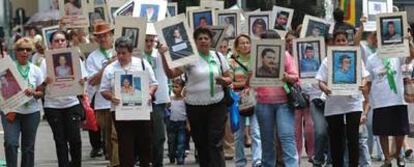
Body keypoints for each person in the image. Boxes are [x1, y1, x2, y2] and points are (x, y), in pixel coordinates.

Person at [161, 27, 232, 167]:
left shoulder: (218, 57)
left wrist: (225, 81)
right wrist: (163, 55)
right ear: (194, 42)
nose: (203, 41)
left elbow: (230, 77)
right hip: (194, 107)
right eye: (200, 38)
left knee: (215, 142)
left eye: (206, 38)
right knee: (201, 143)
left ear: (211, 41)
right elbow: (171, 74)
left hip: (217, 104)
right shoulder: (188, 57)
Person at [100, 37, 158, 167]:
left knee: (145, 145)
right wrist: (111, 97)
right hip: (121, 113)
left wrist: (149, 93)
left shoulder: (142, 64)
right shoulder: (110, 69)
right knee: (126, 148)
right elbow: (103, 90)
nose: (120, 56)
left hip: (142, 112)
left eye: (124, 53)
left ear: (130, 52)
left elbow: (154, 84)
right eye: (118, 53)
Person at [316, 30, 369, 167]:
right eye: (338, 40)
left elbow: (364, 77)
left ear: (348, 41)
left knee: (353, 138)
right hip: (334, 104)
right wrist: (325, 88)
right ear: (333, 42)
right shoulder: (327, 60)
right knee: (336, 140)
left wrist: (363, 84)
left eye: (343, 40)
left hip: (353, 103)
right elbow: (320, 81)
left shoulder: (355, 57)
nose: (341, 42)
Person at [38, 30, 87, 167]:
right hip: (53, 106)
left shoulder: (75, 59)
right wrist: (45, 82)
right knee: (60, 141)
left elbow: (84, 79)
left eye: (62, 40)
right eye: (56, 41)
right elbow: (40, 87)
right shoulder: (44, 62)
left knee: (75, 140)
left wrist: (83, 81)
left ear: (66, 42)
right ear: (51, 44)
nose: (60, 43)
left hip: (72, 104)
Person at [364, 40, 414, 166]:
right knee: (382, 132)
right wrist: (366, 99)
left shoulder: (397, 55)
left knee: (400, 132)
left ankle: (398, 155)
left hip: (398, 99)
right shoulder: (371, 59)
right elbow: (368, 80)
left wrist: (408, 40)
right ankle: (387, 158)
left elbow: (411, 55)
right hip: (380, 100)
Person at [254, 30, 299, 167]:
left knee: (286, 137)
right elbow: (248, 82)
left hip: (283, 103)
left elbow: (295, 77)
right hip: (263, 103)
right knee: (267, 140)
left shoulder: (285, 56)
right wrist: (250, 75)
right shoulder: (256, 57)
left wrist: (286, 77)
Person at [0, 37, 44, 167]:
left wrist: (34, 93)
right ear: (16, 51)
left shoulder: (36, 70)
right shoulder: (7, 68)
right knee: (10, 143)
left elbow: (41, 92)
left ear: (31, 52)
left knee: (28, 148)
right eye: (21, 49)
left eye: (28, 49)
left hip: (31, 113)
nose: (24, 52)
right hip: (11, 112)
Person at [85, 21, 120, 167]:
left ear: (112, 35)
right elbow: (92, 81)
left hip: (120, 100)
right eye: (99, 36)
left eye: (105, 35)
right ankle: (113, 161)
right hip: (103, 103)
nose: (103, 38)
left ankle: (117, 163)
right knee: (108, 139)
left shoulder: (120, 51)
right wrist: (106, 67)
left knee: (116, 135)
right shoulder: (93, 57)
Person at [229, 34, 262, 167]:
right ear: (237, 46)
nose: (245, 45)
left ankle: (257, 160)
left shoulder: (257, 60)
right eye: (241, 43)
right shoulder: (232, 62)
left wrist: (250, 83)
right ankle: (240, 162)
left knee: (255, 131)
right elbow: (231, 83)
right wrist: (246, 82)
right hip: (238, 99)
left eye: (247, 42)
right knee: (238, 133)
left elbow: (260, 80)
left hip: (255, 98)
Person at [144, 29, 170, 167]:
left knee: (159, 135)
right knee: (145, 135)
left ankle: (157, 163)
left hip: (158, 99)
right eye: (146, 40)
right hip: (141, 100)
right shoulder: (137, 56)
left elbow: (170, 70)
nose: (149, 43)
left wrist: (164, 53)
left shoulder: (160, 53)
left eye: (151, 40)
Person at [167, 78, 187, 164]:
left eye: (177, 87)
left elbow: (188, 113)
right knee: (171, 142)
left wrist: (188, 124)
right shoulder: (170, 99)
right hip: (172, 123)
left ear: (182, 88)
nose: (174, 88)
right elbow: (167, 109)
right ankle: (171, 156)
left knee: (181, 141)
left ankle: (180, 158)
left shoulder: (185, 100)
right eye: (173, 86)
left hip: (182, 123)